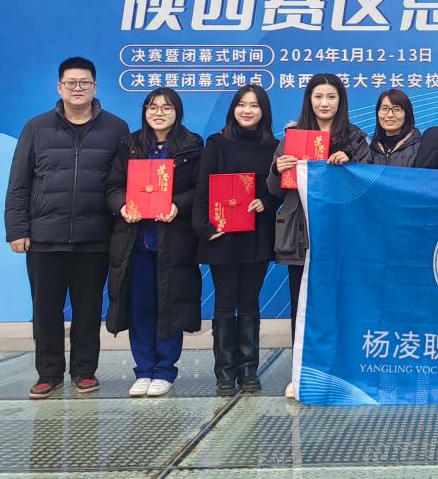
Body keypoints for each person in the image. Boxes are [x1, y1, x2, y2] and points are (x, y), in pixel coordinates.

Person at [5, 57, 128, 399]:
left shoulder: (116, 128)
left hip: (95, 237)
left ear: (95, 87)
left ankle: (84, 372)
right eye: (71, 83)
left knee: (88, 310)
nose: (78, 88)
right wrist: (17, 229)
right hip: (45, 237)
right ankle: (49, 374)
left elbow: (121, 182)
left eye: (84, 82)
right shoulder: (36, 127)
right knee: (46, 311)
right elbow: (19, 183)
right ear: (59, 87)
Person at [268, 74, 369, 398]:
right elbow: (274, 191)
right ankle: (301, 374)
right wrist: (277, 170)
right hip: (300, 233)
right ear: (309, 100)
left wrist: (351, 164)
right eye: (318, 97)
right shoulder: (292, 136)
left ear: (341, 101)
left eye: (331, 97)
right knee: (302, 305)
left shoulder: (355, 138)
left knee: (341, 304)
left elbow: (368, 185)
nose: (325, 103)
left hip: (341, 234)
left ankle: (341, 372)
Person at [105, 88, 204, 397]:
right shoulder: (129, 144)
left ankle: (164, 370)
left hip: (173, 242)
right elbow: (112, 186)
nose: (159, 113)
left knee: (169, 305)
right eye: (152, 107)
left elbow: (200, 189)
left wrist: (178, 205)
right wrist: (122, 205)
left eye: (166, 107)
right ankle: (143, 369)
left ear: (178, 112)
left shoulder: (191, 146)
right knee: (140, 307)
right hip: (136, 242)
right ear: (144, 111)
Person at [194, 84, 280, 396]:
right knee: (225, 302)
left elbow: (280, 189)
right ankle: (225, 373)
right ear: (233, 109)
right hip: (223, 234)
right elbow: (202, 188)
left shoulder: (275, 147)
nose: (247, 110)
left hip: (257, 234)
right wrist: (204, 228)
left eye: (254, 105)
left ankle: (248, 371)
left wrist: (266, 202)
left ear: (263, 111)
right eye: (242, 104)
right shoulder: (216, 143)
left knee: (250, 302)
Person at [368, 89, 421, 167]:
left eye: (397, 109)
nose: (390, 115)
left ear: (407, 114)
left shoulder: (420, 148)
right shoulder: (369, 147)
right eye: (384, 109)